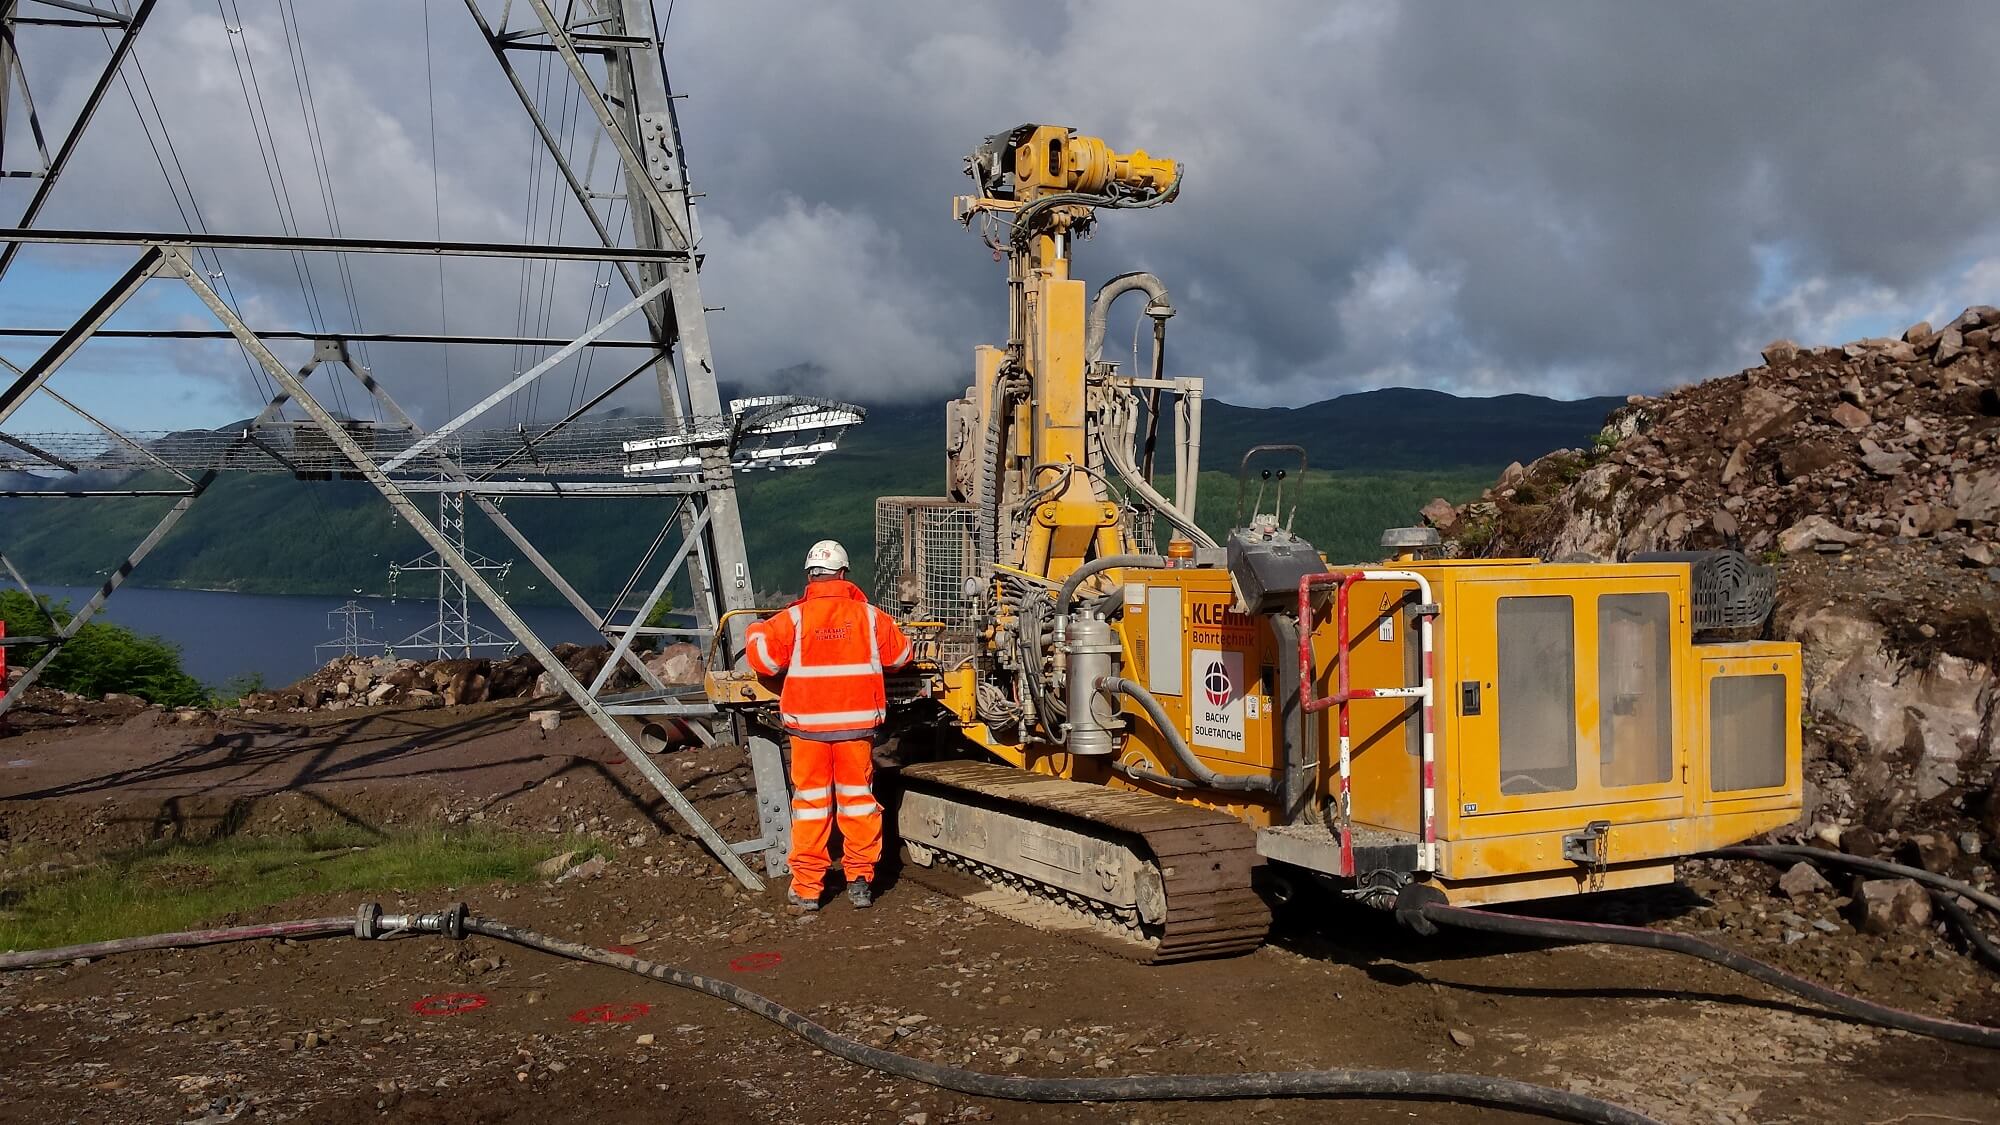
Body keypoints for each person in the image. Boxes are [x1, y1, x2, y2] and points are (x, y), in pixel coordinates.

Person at [744, 540, 913, 912]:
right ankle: (860, 881)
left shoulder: (793, 619)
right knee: (858, 804)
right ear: (843, 574)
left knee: (811, 806)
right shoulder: (869, 616)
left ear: (810, 576)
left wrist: (756, 629)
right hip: (856, 730)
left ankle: (807, 888)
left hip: (809, 732)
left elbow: (765, 661)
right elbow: (901, 655)